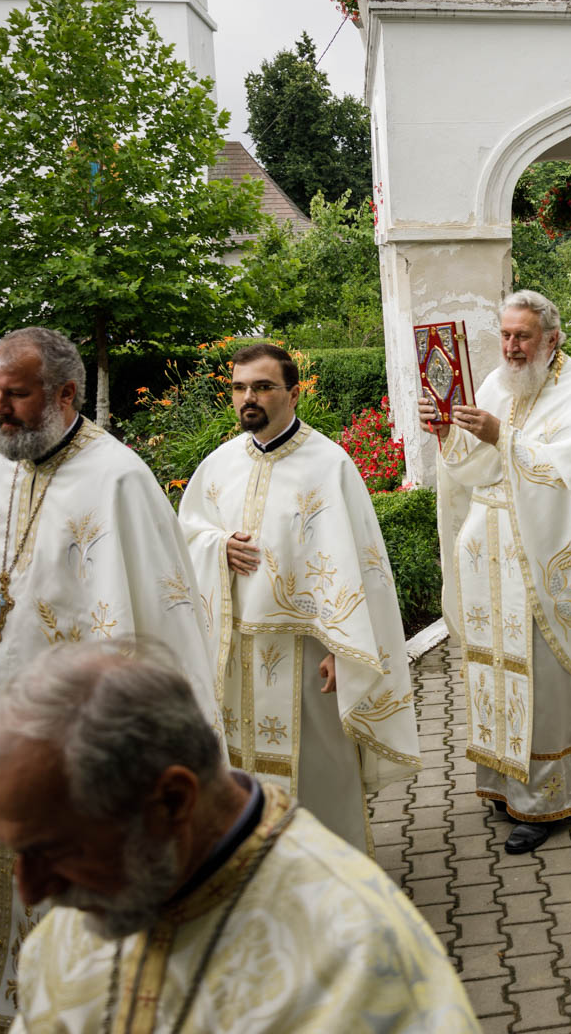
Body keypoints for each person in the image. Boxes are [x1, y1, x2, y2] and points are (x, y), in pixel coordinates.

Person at [0, 327, 217, 1034]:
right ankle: (5, 1015)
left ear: (66, 395)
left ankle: (91, 1032)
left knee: (74, 888)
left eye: (15, 393)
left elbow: (156, 622)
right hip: (5, 726)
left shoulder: (118, 481)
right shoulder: (1, 469)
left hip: (77, 743)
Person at [0, 641, 491, 1034]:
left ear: (173, 800)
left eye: (51, 851)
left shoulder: (360, 966)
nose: (32, 892)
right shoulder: (84, 915)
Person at [178, 343, 420, 852]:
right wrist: (216, 548)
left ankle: (334, 882)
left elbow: (362, 565)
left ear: (292, 391)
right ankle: (251, 878)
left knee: (321, 775)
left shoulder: (328, 463)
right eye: (241, 387)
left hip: (309, 657)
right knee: (240, 776)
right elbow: (185, 534)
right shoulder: (217, 465)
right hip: (237, 655)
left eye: (263, 387)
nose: (250, 398)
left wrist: (344, 650)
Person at [423, 291, 571, 855]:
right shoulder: (496, 384)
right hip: (489, 551)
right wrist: (448, 433)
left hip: (547, 553)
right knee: (497, 666)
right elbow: (474, 468)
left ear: (551, 339)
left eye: (524, 337)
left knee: (545, 672)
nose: (512, 348)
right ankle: (505, 780)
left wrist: (501, 436)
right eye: (507, 336)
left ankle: (546, 797)